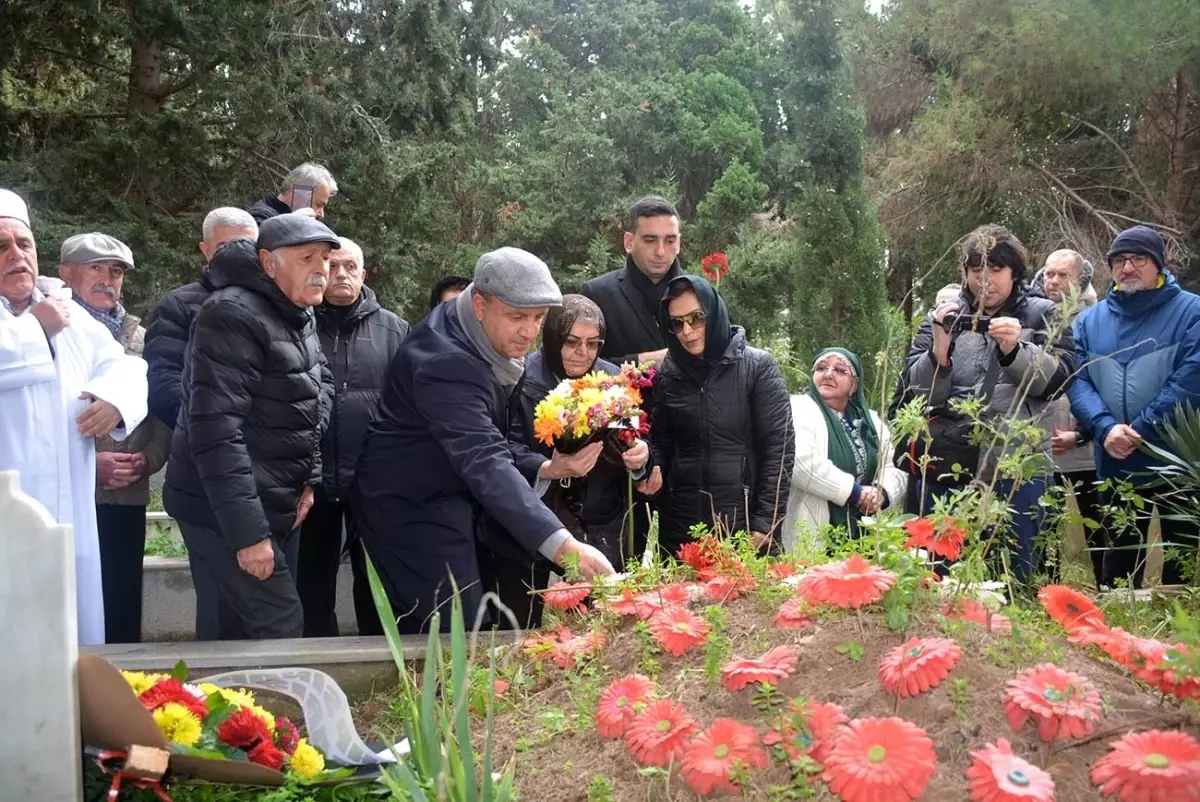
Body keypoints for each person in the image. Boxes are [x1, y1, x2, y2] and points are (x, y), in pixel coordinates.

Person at [353, 248, 616, 634]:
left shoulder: (469, 329)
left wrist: (543, 468)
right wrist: (564, 546)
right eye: (516, 317)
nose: (529, 332)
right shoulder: (446, 363)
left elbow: (490, 437)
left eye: (538, 318)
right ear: (480, 304)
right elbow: (484, 459)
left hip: (450, 496)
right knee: (452, 631)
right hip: (413, 509)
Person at [163, 214, 337, 640]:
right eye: (307, 258)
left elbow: (316, 392)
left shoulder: (297, 310)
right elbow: (216, 431)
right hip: (221, 508)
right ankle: (243, 707)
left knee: (244, 626)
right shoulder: (231, 314)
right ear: (269, 263)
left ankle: (236, 707)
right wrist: (248, 535)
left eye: (327, 259)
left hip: (273, 497)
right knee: (273, 622)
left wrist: (308, 482)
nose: (321, 269)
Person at [0, 189, 148, 646]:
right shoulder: (47, 317)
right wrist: (35, 329)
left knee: (70, 635)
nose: (16, 256)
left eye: (23, 244)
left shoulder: (66, 313)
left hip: (70, 516)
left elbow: (126, 364)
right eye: (0, 247)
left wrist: (114, 400)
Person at [904, 224, 1075, 580]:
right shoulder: (940, 317)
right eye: (976, 270)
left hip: (1017, 469)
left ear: (1015, 273)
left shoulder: (1045, 314)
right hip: (948, 463)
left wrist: (1016, 350)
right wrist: (939, 350)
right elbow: (917, 395)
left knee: (1015, 574)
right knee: (939, 572)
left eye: (996, 270)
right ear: (965, 274)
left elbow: (1058, 384)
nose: (985, 280)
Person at [503, 295, 653, 626]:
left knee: (604, 628)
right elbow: (502, 448)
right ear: (554, 337)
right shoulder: (520, 376)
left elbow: (634, 435)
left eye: (592, 343)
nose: (582, 353)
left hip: (604, 522)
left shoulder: (613, 380)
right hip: (540, 525)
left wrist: (641, 455)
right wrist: (549, 468)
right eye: (571, 342)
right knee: (538, 631)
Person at [1069, 225, 1200, 588]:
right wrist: (1105, 427)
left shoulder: (1192, 311)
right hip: (1116, 456)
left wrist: (1140, 429)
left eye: (1138, 258)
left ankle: (1179, 639)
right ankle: (1114, 638)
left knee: (1181, 556)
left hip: (1179, 457)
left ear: (1158, 264)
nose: (1128, 267)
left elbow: (1192, 380)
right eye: (1119, 260)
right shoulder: (1089, 321)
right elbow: (1077, 379)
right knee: (1119, 560)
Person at [58, 232, 173, 644]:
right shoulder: (44, 336)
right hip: (65, 497)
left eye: (117, 270)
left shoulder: (141, 339)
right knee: (67, 607)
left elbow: (162, 410)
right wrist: (90, 468)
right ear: (65, 274)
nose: (108, 278)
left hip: (126, 494)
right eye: (96, 268)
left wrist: (148, 460)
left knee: (122, 603)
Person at [299, 238, 409, 637]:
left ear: (364, 274)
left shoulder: (395, 330)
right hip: (313, 481)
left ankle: (380, 665)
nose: (341, 274)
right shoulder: (299, 323)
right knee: (312, 583)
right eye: (334, 266)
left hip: (373, 483)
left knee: (376, 581)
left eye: (351, 267)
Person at [649, 274, 794, 557]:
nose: (687, 331)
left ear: (714, 313)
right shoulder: (669, 373)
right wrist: (648, 465)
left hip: (746, 528)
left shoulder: (757, 367)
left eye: (697, 318)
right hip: (682, 532)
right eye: (677, 323)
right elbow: (661, 443)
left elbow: (780, 449)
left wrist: (766, 522)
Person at [144, 207, 258, 430]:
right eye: (224, 247)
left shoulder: (276, 303)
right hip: (202, 446)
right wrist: (213, 430)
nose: (237, 254)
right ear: (205, 250)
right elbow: (163, 382)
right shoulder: (177, 306)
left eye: (247, 245)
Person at [786, 348, 906, 553]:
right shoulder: (798, 408)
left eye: (840, 370)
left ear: (854, 386)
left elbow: (894, 466)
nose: (829, 374)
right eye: (821, 368)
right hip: (813, 535)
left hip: (865, 537)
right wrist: (855, 493)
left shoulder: (871, 422)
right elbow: (800, 463)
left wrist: (881, 493)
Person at [1035, 249, 1104, 587]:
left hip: (1088, 450)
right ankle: (1045, 602)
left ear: (1081, 280)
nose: (1054, 281)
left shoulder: (1096, 320)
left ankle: (1111, 599)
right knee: (1043, 532)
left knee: (1099, 528)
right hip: (1040, 449)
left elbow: (1103, 383)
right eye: (1049, 274)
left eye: (1063, 275)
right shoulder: (1031, 317)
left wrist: (1082, 434)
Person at [581, 196, 684, 367]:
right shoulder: (598, 294)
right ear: (629, 242)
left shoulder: (700, 293)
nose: (660, 251)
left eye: (670, 241)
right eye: (650, 240)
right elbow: (579, 365)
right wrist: (644, 361)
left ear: (678, 243)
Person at [246, 163, 338, 223]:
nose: (321, 214)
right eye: (319, 205)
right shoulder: (258, 217)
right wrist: (292, 223)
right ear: (299, 193)